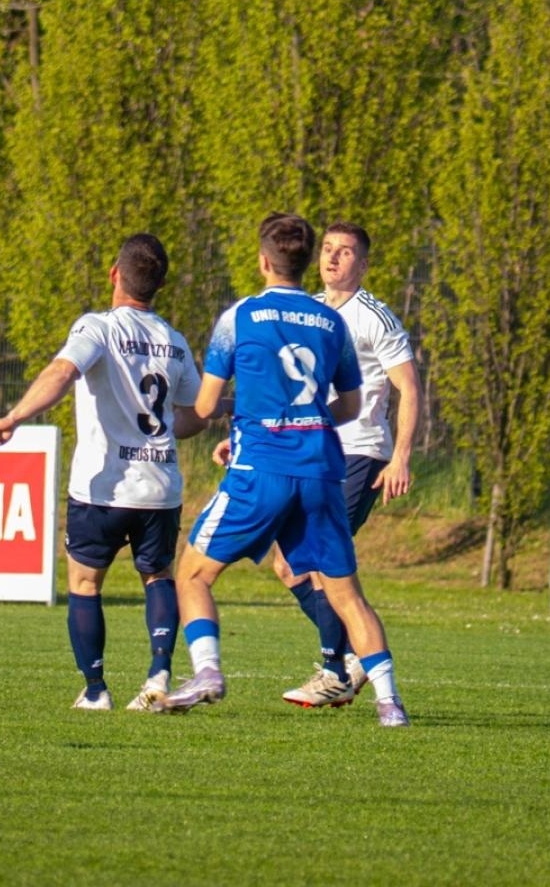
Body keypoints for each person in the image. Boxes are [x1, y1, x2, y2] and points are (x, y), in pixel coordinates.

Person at [155, 212, 410, 726]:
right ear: (304, 260)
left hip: (262, 469)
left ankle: (207, 671)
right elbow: (350, 406)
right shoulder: (332, 322)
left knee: (193, 574)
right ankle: (390, 704)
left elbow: (204, 408)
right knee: (344, 591)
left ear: (264, 260)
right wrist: (302, 419)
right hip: (320, 468)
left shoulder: (239, 316)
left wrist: (201, 420)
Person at [0, 233, 206, 712]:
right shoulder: (175, 340)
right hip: (159, 488)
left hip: (101, 487)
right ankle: (159, 674)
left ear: (114, 274)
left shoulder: (97, 327)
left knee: (85, 585)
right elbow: (192, 417)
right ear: (160, 285)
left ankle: (96, 689)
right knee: (158, 577)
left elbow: (62, 373)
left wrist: (14, 417)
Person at [276, 221, 421, 708]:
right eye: (328, 249)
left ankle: (335, 669)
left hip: (359, 451)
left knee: (321, 559)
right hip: (309, 449)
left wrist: (400, 456)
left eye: (346, 252)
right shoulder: (308, 311)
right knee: (286, 563)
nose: (334, 258)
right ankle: (354, 657)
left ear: (364, 264)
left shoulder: (375, 318)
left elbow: (410, 387)